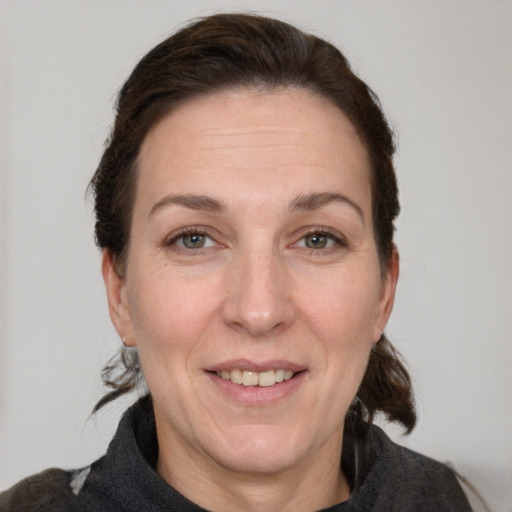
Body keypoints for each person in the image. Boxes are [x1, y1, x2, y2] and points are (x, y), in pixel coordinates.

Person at [0, 13, 473, 512]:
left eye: (316, 238)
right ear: (120, 291)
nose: (259, 310)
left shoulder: (441, 500)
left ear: (383, 290)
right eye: (194, 239)